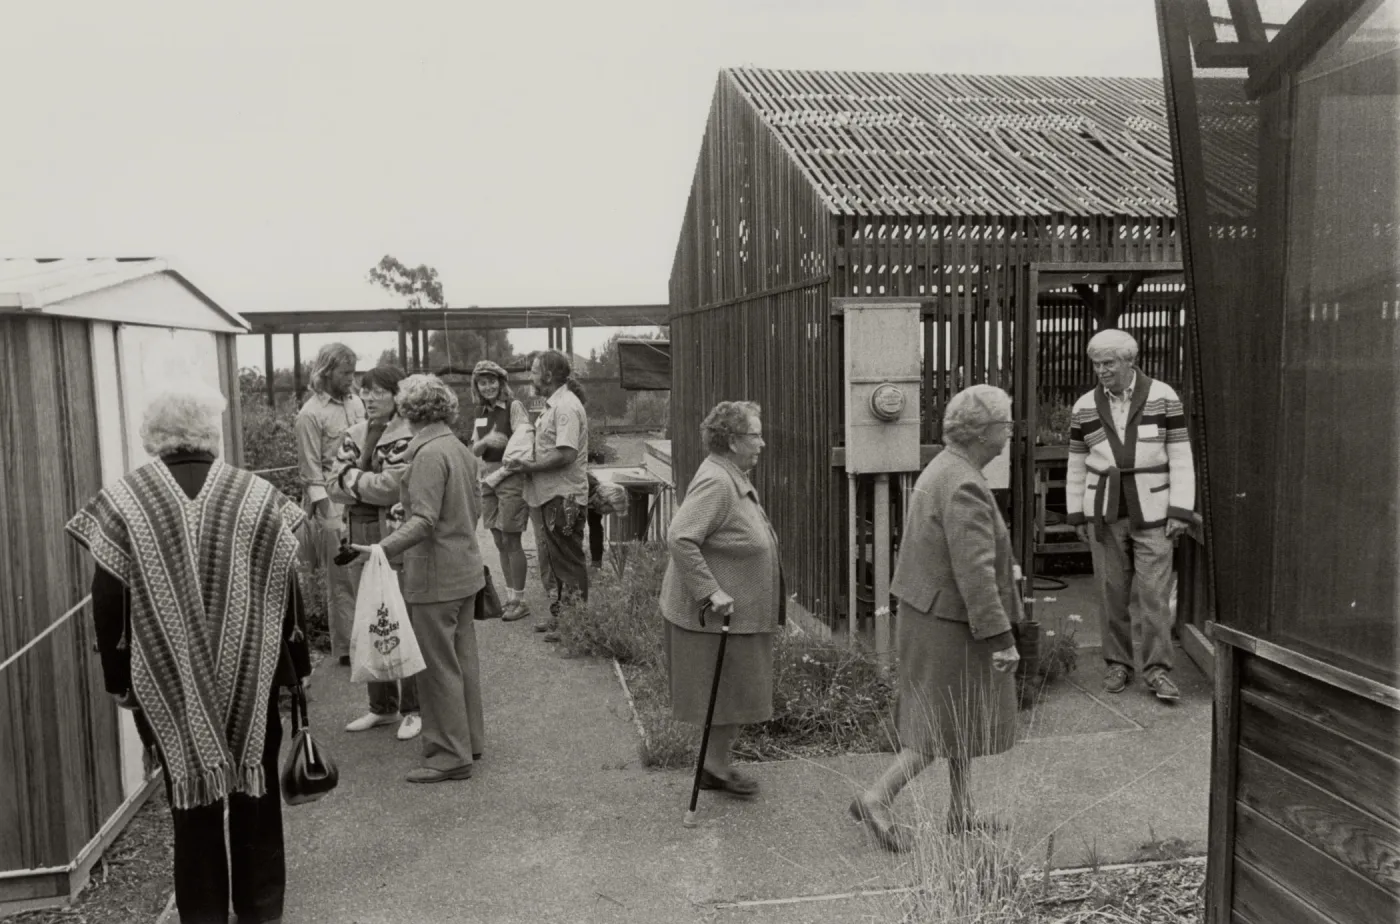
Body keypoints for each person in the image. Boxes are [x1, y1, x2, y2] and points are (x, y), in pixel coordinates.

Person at [66, 383, 309, 924]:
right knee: (255, 792)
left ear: (153, 435)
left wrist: (118, 681)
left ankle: (202, 914)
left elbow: (108, 599)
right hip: (253, 673)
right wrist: (297, 668)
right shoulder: (256, 495)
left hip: (166, 679)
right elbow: (287, 583)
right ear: (209, 431)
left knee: (190, 800)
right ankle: (261, 910)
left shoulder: (125, 501)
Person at [849, 384, 1022, 852]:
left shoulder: (946, 468)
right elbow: (975, 572)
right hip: (950, 622)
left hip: (934, 612)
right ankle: (877, 797)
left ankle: (960, 811)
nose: (1010, 431)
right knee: (939, 724)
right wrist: (1002, 637)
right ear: (983, 433)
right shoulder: (964, 482)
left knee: (959, 716)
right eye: (1005, 423)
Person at [352, 374, 487, 783]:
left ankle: (448, 754)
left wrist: (380, 548)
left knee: (437, 668)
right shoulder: (459, 448)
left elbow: (425, 520)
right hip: (464, 570)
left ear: (408, 411)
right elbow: (471, 508)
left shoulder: (427, 454)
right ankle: (469, 741)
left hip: (434, 576)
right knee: (462, 660)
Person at [1066, 329, 1196, 703]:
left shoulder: (1164, 397)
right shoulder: (1084, 406)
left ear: (1130, 361)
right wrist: (1077, 514)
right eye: (1096, 364)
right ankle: (1117, 664)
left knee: (1154, 595)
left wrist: (1180, 510)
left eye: (1108, 363)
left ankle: (1158, 670)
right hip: (1104, 513)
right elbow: (1076, 463)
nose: (1101, 371)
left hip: (1154, 512)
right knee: (1111, 594)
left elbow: (1181, 457)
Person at [659, 400, 781, 798]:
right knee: (727, 693)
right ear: (731, 441)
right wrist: (710, 590)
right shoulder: (717, 481)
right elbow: (680, 536)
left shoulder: (729, 474)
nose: (762, 443)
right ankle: (713, 767)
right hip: (717, 618)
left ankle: (714, 766)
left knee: (732, 694)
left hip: (740, 616)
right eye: (755, 435)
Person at [327, 364, 421, 740]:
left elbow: (393, 487)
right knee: (369, 615)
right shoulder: (354, 433)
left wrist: (353, 479)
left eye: (379, 391)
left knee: (402, 617)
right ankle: (382, 706)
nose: (369, 398)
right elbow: (332, 483)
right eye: (365, 391)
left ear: (398, 395)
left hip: (394, 534)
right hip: (357, 533)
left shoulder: (408, 434)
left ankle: (414, 707)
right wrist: (365, 483)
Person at [504, 350, 589, 642]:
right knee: (557, 561)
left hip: (563, 498)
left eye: (535, 371)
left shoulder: (565, 407)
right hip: (552, 497)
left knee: (568, 562)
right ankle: (563, 618)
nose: (531, 377)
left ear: (549, 376)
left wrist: (529, 466)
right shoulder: (555, 405)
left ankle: (575, 626)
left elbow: (566, 454)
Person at [295, 342, 365, 666]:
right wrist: (330, 519)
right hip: (331, 503)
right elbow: (310, 473)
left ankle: (370, 638)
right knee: (342, 579)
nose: (351, 378)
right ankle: (348, 647)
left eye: (353, 372)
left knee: (366, 570)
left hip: (361, 495)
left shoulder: (358, 403)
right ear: (327, 372)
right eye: (345, 373)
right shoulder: (310, 414)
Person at [466, 359, 532, 621]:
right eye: (482, 383)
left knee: (512, 538)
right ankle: (510, 597)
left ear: (501, 382)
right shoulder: (481, 412)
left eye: (492, 381)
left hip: (510, 476)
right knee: (499, 540)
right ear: (477, 387)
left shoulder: (514, 407)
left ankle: (520, 600)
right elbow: (474, 450)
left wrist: (500, 465)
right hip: (488, 479)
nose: (488, 387)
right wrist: (487, 441)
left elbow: (524, 444)